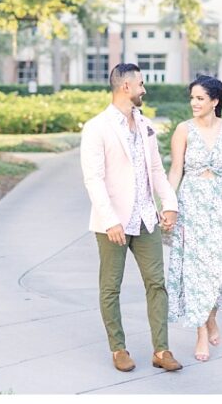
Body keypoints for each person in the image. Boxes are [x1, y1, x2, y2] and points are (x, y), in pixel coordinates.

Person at [80, 63, 182, 373]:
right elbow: (93, 179)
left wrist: (169, 203)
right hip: (113, 223)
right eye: (140, 84)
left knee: (157, 284)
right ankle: (118, 348)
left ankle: (161, 350)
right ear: (126, 87)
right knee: (111, 286)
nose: (144, 89)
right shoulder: (97, 127)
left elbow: (155, 170)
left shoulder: (145, 123)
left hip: (146, 218)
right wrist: (110, 220)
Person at [166, 75, 222, 362]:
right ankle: (201, 332)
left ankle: (212, 317)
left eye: (200, 98)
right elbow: (176, 170)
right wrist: (168, 204)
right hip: (192, 206)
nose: (194, 103)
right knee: (196, 272)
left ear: (214, 101)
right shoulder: (183, 130)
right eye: (192, 97)